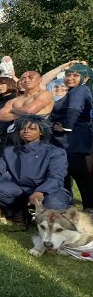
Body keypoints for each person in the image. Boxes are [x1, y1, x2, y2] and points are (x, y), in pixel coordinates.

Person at [0, 115, 72, 227]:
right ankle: (20, 214)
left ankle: (56, 220)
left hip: (49, 190)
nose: (26, 131)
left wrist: (40, 192)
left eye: (32, 128)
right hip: (21, 189)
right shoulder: (10, 151)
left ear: (41, 132)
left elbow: (56, 178)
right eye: (22, 128)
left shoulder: (56, 152)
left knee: (54, 203)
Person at [50, 63, 93, 209]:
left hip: (73, 142)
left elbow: (75, 108)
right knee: (69, 176)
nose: (70, 78)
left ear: (86, 78)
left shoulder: (80, 90)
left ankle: (89, 208)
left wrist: (66, 127)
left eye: (76, 75)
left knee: (80, 177)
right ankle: (68, 206)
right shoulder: (75, 91)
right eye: (68, 74)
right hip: (70, 142)